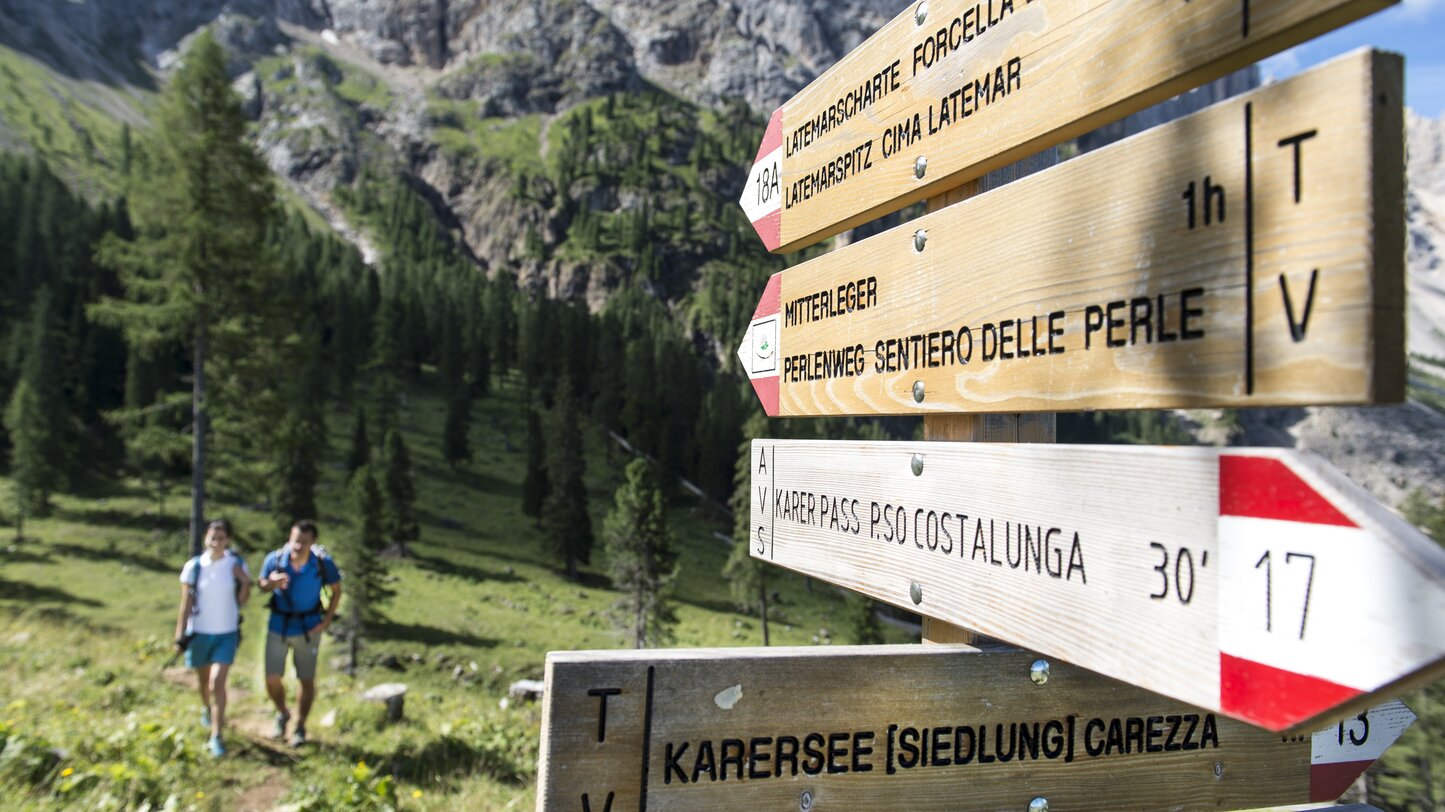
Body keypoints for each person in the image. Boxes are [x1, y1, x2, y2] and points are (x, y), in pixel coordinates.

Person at [258, 519, 342, 747]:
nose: (298, 546)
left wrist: (326, 621)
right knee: (272, 677)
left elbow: (336, 590)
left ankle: (300, 725)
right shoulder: (275, 560)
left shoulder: (323, 564)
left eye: (304, 542)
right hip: (278, 625)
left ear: (313, 542)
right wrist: (271, 583)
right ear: (290, 538)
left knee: (306, 679)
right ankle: (283, 712)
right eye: (295, 540)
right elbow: (262, 584)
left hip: (309, 627)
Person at [174, 519, 251, 757]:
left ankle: (216, 735)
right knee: (203, 681)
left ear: (227, 539)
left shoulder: (236, 564)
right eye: (212, 536)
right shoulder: (194, 566)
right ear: (206, 538)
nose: (216, 541)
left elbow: (243, 601)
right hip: (199, 632)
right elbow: (185, 603)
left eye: (221, 537)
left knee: (217, 683)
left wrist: (244, 581)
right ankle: (207, 709)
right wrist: (179, 635)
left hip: (226, 633)